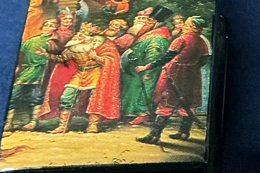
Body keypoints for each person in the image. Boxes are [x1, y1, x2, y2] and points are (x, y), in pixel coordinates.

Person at [137, 16, 211, 144]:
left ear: (190, 26)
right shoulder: (201, 41)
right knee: (187, 102)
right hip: (192, 74)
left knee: (166, 101)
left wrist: (146, 67)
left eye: (186, 24)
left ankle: (154, 136)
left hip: (174, 73)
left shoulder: (181, 39)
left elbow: (166, 57)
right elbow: (204, 59)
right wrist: (192, 67)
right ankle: (184, 132)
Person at [51, 23, 122, 134]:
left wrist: (95, 57)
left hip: (96, 73)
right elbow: (63, 58)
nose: (80, 36)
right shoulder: (73, 46)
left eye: (84, 35)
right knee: (67, 96)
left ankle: (93, 124)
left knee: (95, 97)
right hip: (80, 73)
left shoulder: (101, 44)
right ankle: (63, 125)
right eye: (80, 34)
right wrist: (48, 54)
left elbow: (111, 59)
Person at [4, 18, 57, 133]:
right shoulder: (31, 41)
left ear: (55, 28)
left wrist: (46, 54)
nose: (47, 27)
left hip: (42, 71)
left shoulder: (54, 42)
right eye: (46, 25)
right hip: (27, 70)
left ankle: (33, 122)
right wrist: (19, 66)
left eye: (51, 25)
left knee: (36, 96)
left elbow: (57, 58)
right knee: (14, 94)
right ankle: (8, 123)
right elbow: (21, 54)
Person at [119, 11, 173, 124]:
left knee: (146, 89)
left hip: (146, 70)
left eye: (149, 20)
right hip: (135, 69)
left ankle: (144, 114)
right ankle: (130, 113)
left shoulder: (159, 37)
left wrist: (146, 68)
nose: (146, 23)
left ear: (156, 22)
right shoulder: (149, 33)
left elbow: (154, 55)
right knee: (133, 89)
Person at [39, 9, 79, 120]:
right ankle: (50, 111)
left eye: (70, 19)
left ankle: (64, 112)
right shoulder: (54, 33)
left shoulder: (73, 34)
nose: (68, 21)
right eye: (65, 19)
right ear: (60, 20)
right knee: (52, 87)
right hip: (53, 62)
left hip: (68, 62)